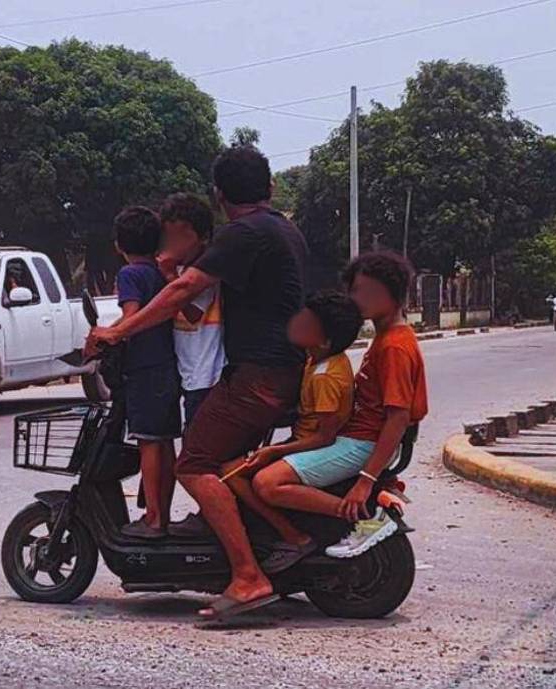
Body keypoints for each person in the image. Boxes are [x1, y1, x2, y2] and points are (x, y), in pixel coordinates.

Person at [86, 145, 307, 620]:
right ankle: (259, 540)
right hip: (281, 372)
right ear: (269, 187)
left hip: (258, 378)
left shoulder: (243, 234)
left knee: (193, 463)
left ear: (219, 195)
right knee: (223, 460)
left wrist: (118, 331)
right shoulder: (284, 230)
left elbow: (184, 291)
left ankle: (248, 576)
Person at [248, 251, 428, 558]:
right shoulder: (386, 337)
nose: (358, 299)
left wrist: (365, 481)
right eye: (355, 290)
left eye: (367, 291)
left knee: (267, 483)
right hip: (356, 438)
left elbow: (397, 418)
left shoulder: (395, 346)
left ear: (392, 292)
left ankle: (364, 516)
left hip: (362, 443)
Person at [220, 290, 364, 573]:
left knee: (257, 481)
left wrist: (274, 451)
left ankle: (306, 533)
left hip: (318, 445)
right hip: (305, 439)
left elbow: (325, 436)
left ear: (324, 340)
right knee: (231, 469)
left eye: (307, 323)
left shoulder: (325, 377)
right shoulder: (315, 358)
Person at [111, 206, 181, 539]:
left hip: (144, 368)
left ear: (118, 245)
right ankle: (162, 514)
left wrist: (102, 337)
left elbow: (131, 317)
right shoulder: (159, 272)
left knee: (148, 444)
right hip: (169, 366)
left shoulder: (130, 275)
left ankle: (153, 519)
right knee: (164, 442)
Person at [157, 193, 224, 428]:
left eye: (182, 236)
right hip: (188, 371)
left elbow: (193, 314)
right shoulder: (183, 269)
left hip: (206, 374)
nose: (175, 244)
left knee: (197, 440)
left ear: (203, 237)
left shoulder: (202, 271)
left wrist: (169, 275)